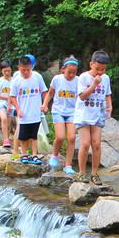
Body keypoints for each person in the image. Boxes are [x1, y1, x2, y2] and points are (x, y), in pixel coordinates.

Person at [73, 50, 112, 184]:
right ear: (91, 64)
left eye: (103, 69)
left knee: (96, 144)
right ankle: (81, 173)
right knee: (85, 143)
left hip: (98, 114)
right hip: (83, 115)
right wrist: (94, 84)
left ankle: (94, 174)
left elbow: (107, 94)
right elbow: (82, 96)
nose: (100, 72)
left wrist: (109, 106)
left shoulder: (106, 78)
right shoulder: (83, 77)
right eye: (97, 69)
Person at [43, 56, 79, 174]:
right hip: (58, 111)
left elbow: (81, 97)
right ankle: (55, 155)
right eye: (69, 72)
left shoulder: (78, 81)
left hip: (72, 112)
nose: (71, 75)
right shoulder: (57, 79)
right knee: (60, 137)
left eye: (74, 72)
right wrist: (45, 104)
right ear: (63, 69)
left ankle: (68, 165)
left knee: (72, 138)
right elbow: (50, 93)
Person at [9, 55, 48, 164]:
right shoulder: (16, 81)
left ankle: (34, 155)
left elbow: (44, 91)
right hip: (23, 113)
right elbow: (12, 96)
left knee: (34, 135)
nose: (26, 72)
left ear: (31, 67)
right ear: (19, 68)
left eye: (28, 69)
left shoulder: (37, 77)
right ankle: (24, 154)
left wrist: (45, 104)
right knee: (23, 136)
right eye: (23, 70)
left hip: (35, 112)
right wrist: (18, 109)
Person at [0, 60, 15, 147]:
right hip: (1, 103)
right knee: (4, 119)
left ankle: (7, 139)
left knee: (9, 123)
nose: (7, 73)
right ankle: (6, 140)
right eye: (5, 71)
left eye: (8, 71)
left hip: (12, 104)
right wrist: (6, 97)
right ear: (1, 71)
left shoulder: (14, 80)